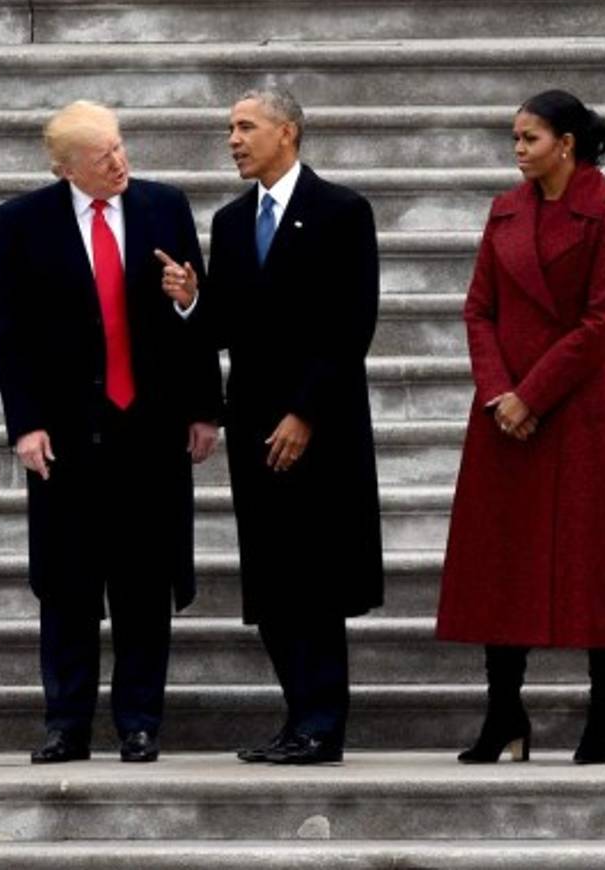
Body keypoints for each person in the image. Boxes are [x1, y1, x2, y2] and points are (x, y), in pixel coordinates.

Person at [0, 100, 222, 764]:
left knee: (145, 585)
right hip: (65, 436)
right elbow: (11, 330)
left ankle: (140, 721)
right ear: (66, 168)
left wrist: (204, 405)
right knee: (67, 587)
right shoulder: (24, 220)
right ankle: (66, 723)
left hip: (148, 432)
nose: (120, 163)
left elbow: (193, 311)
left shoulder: (163, 206)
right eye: (103, 157)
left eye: (121, 148)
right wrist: (26, 423)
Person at [435, 89, 605, 765]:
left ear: (566, 143)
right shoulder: (504, 210)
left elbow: (601, 322)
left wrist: (530, 395)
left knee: (600, 562)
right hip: (506, 414)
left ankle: (603, 717)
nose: (518, 150)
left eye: (528, 138)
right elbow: (478, 310)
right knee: (501, 561)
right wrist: (499, 391)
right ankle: (504, 713)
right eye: (514, 140)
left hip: (581, 408)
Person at [169, 88, 383, 765]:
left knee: (316, 576)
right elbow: (229, 326)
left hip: (320, 423)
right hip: (256, 423)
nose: (233, 139)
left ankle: (324, 722)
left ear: (286, 132)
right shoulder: (232, 222)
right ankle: (297, 717)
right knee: (273, 578)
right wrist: (191, 300)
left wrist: (305, 412)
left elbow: (351, 324)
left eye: (245, 127)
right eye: (229, 128)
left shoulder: (342, 211)